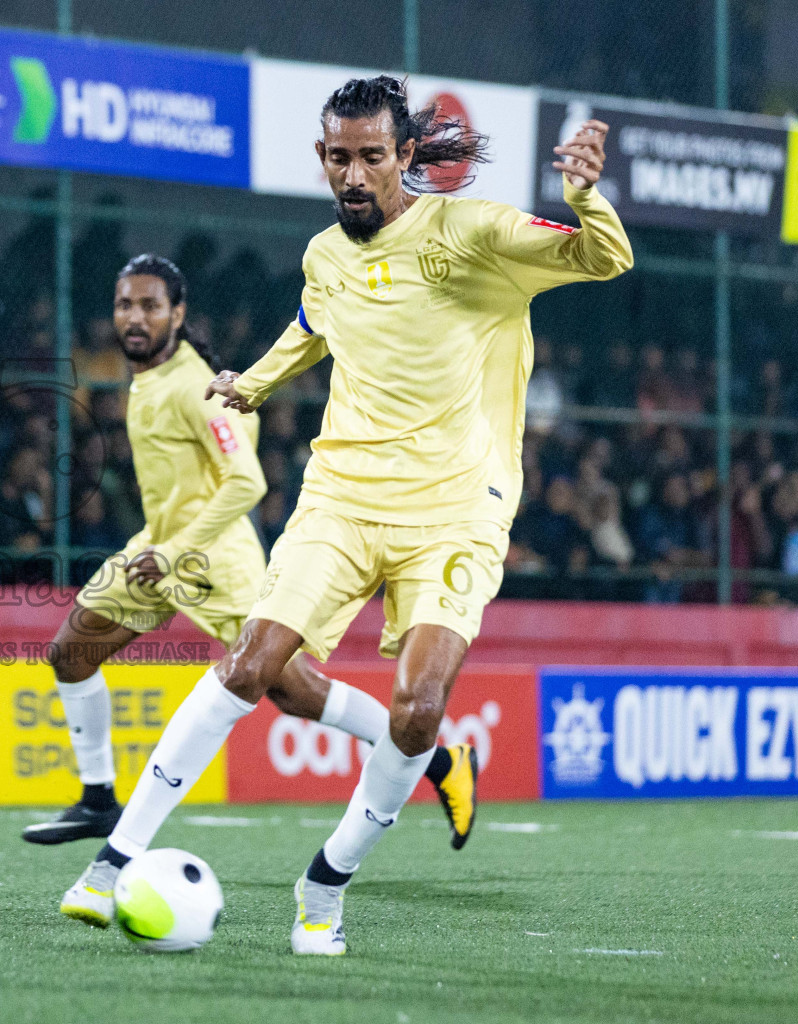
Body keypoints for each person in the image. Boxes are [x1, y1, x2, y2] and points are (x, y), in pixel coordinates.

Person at [60, 77, 632, 954]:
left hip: (456, 509)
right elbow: (311, 324)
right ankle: (111, 862)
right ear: (321, 158)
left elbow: (602, 258)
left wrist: (587, 194)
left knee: (418, 708)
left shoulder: (472, 234)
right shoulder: (325, 252)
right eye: (339, 157)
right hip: (342, 498)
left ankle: (326, 879)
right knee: (251, 665)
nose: (354, 173)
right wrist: (248, 383)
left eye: (371, 156)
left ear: (406, 154)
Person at [41, 255, 477, 865]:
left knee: (294, 693)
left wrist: (175, 549)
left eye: (149, 306)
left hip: (213, 559)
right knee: (72, 650)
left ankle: (438, 757)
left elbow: (246, 482)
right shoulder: (145, 377)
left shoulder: (196, 387)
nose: (134, 318)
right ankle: (97, 799)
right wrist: (163, 547)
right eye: (124, 305)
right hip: (158, 549)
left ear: (178, 314)